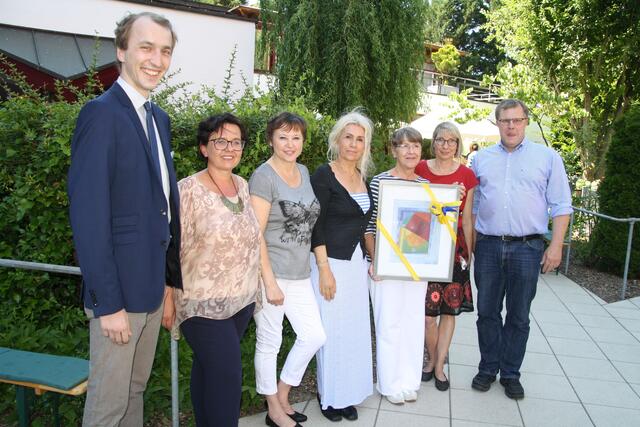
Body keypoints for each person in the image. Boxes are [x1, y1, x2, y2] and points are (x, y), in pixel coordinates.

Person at [67, 12, 182, 426]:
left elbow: (163, 209)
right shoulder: (101, 114)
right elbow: (89, 216)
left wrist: (170, 283)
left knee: (134, 392)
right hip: (119, 297)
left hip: (151, 290)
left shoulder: (158, 119)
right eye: (146, 47)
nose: (157, 59)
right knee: (108, 405)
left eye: (165, 50)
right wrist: (107, 303)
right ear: (122, 51)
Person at [162, 114, 260, 425]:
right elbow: (168, 246)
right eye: (220, 141)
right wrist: (166, 298)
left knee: (208, 371)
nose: (230, 148)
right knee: (228, 375)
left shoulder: (242, 186)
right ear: (204, 147)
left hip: (240, 301)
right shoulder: (186, 190)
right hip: (201, 303)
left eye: (236, 142)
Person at [471, 99, 572, 399]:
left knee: (518, 315)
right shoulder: (481, 160)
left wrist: (555, 247)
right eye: (505, 120)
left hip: (528, 248)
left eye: (516, 120)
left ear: (526, 121)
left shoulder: (548, 158)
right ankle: (488, 367)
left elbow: (562, 205)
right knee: (487, 311)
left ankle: (511, 373)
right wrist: (470, 244)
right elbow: (473, 206)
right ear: (497, 123)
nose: (511, 126)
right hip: (488, 246)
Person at [250, 112, 326, 427]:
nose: (290, 144)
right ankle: (273, 408)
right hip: (271, 273)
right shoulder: (263, 177)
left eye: (296, 137)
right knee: (269, 342)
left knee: (314, 336)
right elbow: (255, 234)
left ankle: (282, 394)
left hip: (299, 273)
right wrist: (269, 282)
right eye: (283, 137)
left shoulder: (304, 171)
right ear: (271, 140)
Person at [310, 111, 375, 422]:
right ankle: (329, 397)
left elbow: (365, 226)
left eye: (359, 139)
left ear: (365, 145)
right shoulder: (324, 175)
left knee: (353, 332)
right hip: (329, 263)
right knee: (331, 333)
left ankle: (347, 395)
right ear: (337, 140)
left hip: (355, 265)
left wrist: (373, 260)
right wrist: (324, 270)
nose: (353, 143)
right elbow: (315, 226)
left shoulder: (364, 178)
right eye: (348, 137)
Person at [364, 127, 429, 405]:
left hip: (417, 267)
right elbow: (368, 228)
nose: (411, 151)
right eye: (404, 146)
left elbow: (433, 228)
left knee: (413, 324)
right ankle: (390, 384)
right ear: (393, 150)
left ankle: (409, 381)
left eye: (415, 146)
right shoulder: (379, 182)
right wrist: (376, 261)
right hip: (385, 267)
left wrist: (451, 199)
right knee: (388, 324)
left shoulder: (427, 186)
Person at [415, 122, 478, 392]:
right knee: (428, 315)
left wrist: (469, 253)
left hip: (454, 250)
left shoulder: (467, 175)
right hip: (423, 245)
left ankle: (439, 366)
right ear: (434, 142)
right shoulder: (419, 169)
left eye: (452, 141)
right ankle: (430, 358)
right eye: (440, 139)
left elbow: (467, 219)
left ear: (458, 145)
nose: (445, 145)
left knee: (448, 311)